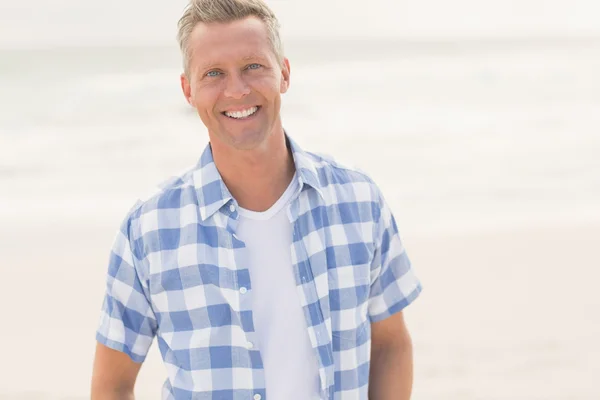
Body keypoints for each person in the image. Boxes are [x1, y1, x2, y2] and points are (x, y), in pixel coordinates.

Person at [91, 0, 422, 399]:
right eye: (213, 73)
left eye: (253, 66)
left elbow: (391, 343)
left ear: (283, 73)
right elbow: (112, 386)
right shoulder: (149, 230)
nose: (236, 89)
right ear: (188, 90)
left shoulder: (357, 202)